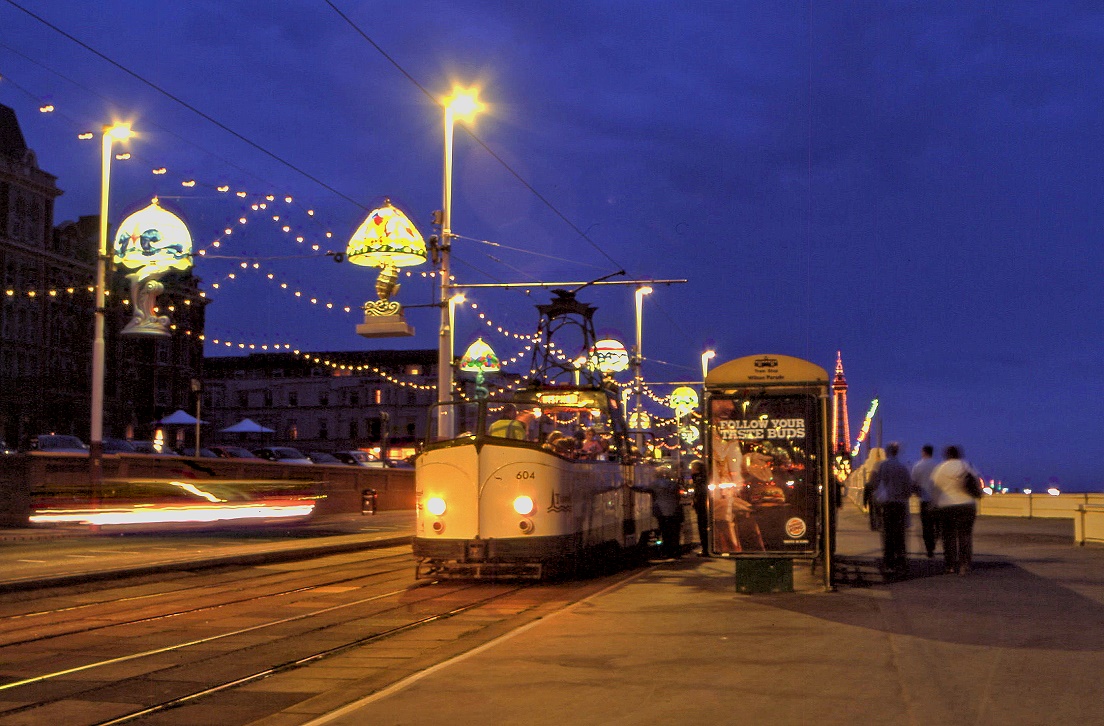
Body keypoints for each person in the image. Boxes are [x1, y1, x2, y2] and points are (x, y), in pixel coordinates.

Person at [869, 442, 918, 580]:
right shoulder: (903, 467)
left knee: (888, 535)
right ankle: (901, 562)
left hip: (887, 505)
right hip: (900, 505)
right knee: (900, 535)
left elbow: (874, 483)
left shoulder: (882, 466)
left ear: (887, 452)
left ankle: (889, 562)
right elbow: (909, 488)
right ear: (897, 452)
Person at [931, 445, 982, 575]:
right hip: (967, 505)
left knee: (948, 536)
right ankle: (964, 564)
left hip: (947, 506)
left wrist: (934, 505)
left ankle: (950, 565)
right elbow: (977, 483)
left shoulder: (940, 469)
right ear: (959, 454)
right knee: (965, 535)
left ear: (946, 455)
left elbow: (934, 489)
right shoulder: (967, 466)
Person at [911, 444, 940, 559]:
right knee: (936, 525)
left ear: (923, 452)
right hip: (937, 501)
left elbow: (913, 483)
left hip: (924, 500)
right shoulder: (938, 465)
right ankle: (934, 541)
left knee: (926, 526)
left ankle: (929, 549)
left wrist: (917, 493)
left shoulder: (918, 466)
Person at [650, 465, 684, 559]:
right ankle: (676, 552)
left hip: (661, 512)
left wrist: (630, 486)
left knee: (665, 533)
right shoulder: (674, 484)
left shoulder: (654, 484)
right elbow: (678, 497)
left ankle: (667, 552)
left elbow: (643, 488)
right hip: (674, 511)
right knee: (675, 533)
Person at [689, 459, 710, 556]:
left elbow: (700, 493)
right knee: (704, 528)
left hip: (702, 508)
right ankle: (706, 549)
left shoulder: (699, 480)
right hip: (703, 507)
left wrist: (696, 502)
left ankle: (705, 550)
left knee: (702, 528)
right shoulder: (703, 478)